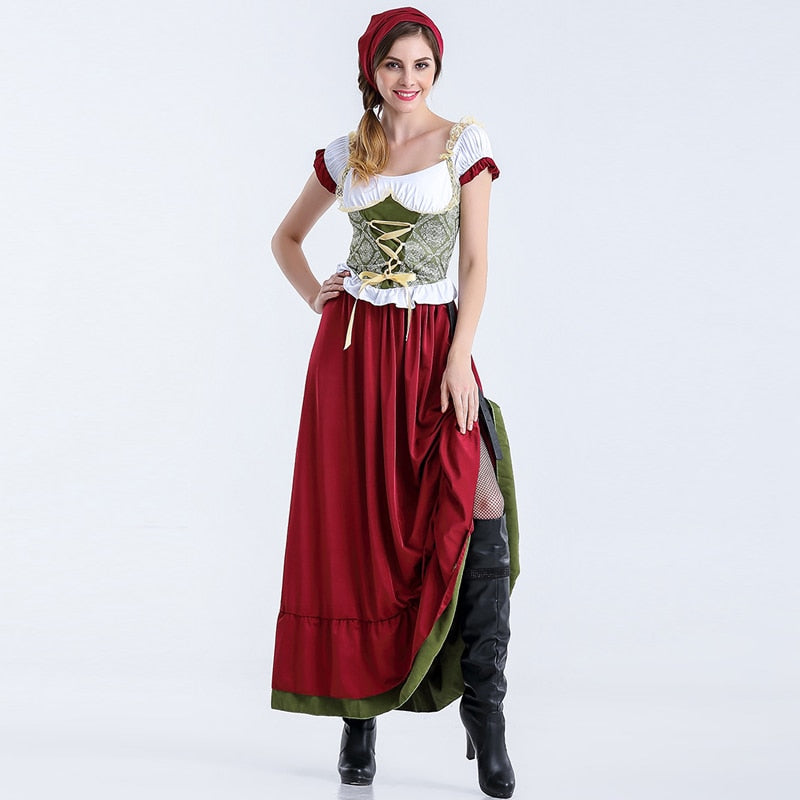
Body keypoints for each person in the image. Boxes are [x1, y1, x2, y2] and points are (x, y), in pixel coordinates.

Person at [269, 7, 520, 798]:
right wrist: (319, 296)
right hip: (350, 359)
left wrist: (460, 358)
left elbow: (475, 264)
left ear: (435, 70)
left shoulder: (463, 144)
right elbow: (285, 240)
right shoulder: (347, 153)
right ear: (370, 73)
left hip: (432, 351)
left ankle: (485, 712)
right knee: (358, 532)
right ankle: (359, 713)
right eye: (393, 65)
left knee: (480, 504)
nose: (408, 79)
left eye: (421, 65)